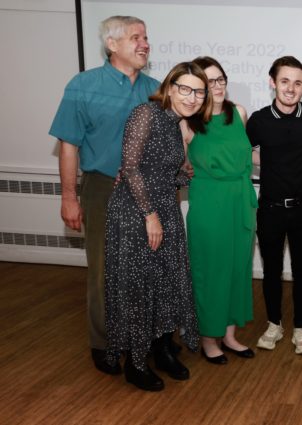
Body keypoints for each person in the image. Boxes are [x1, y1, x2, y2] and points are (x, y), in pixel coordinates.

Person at [48, 15, 160, 375]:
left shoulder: (156, 90)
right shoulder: (83, 86)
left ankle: (142, 339)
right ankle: (104, 342)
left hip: (147, 192)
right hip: (101, 188)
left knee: (145, 268)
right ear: (112, 45)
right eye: (135, 37)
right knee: (103, 270)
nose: (144, 43)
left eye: (145, 37)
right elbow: (68, 145)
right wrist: (69, 197)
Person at [104, 61, 211, 391]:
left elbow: (161, 170)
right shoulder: (145, 113)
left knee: (166, 282)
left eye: (199, 92)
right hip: (138, 212)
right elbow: (132, 168)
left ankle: (163, 350)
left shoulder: (178, 124)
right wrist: (150, 216)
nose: (192, 97)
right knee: (138, 287)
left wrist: (182, 174)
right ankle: (135, 365)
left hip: (166, 207)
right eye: (185, 89)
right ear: (169, 87)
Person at [246, 56, 302, 354]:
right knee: (271, 271)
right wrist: (269, 162)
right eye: (284, 81)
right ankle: (274, 324)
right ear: (272, 82)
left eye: (297, 82)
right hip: (270, 209)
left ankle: (301, 329)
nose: (291, 88)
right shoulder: (259, 120)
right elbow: (241, 154)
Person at [183, 56, 258, 364]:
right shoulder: (187, 122)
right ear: (198, 86)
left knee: (238, 270)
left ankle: (228, 335)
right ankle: (208, 338)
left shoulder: (238, 113)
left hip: (240, 201)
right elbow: (179, 167)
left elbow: (247, 157)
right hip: (208, 205)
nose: (216, 86)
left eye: (220, 80)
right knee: (210, 273)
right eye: (209, 82)